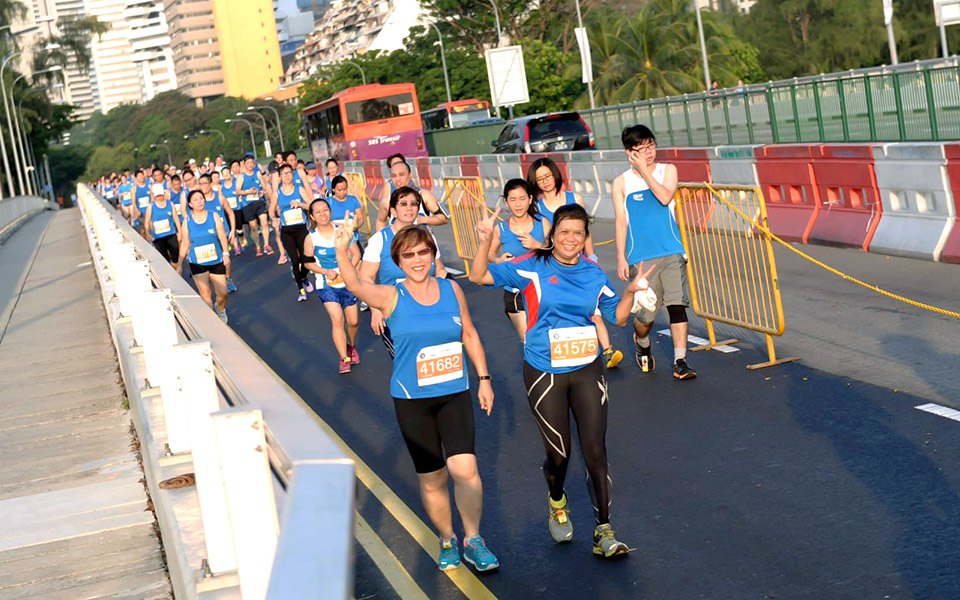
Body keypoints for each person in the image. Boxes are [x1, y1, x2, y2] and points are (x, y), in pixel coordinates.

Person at [470, 202, 655, 558]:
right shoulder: (530, 267)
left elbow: (616, 318)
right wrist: (485, 241)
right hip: (545, 370)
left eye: (578, 233)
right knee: (560, 455)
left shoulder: (593, 273)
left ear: (586, 238)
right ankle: (557, 499)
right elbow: (479, 276)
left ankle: (604, 531)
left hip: (587, 368)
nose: (571, 239)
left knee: (595, 450)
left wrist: (631, 291)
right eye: (564, 232)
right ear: (552, 235)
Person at [336, 216, 500, 573]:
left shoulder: (451, 289)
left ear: (432, 253)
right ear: (399, 261)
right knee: (433, 477)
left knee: (466, 468)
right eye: (409, 255)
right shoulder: (390, 295)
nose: (417, 259)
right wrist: (342, 245)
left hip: (455, 392)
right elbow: (351, 282)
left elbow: (469, 334)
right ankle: (447, 539)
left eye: (423, 252)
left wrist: (484, 378)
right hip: (413, 401)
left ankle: (473, 539)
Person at [613, 124, 696, 380]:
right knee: (645, 317)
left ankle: (680, 361)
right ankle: (642, 341)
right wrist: (620, 257)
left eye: (651, 146)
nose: (648, 153)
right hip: (641, 257)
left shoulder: (667, 170)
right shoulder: (621, 182)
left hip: (671, 251)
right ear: (629, 152)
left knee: (676, 305)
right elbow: (620, 221)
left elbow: (664, 197)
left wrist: (646, 173)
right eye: (640, 149)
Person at [528, 158, 624, 369]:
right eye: (539, 179)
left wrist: (592, 258)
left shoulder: (575, 198)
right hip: (555, 267)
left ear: (555, 174)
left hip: (580, 264)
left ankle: (607, 351)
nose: (545, 182)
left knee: (594, 311)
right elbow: (543, 240)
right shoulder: (536, 208)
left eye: (547, 176)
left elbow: (585, 232)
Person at [362, 187, 447, 358]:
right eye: (403, 204)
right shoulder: (380, 239)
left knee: (433, 363)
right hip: (395, 314)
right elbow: (366, 277)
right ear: (393, 210)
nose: (409, 208)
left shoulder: (427, 238)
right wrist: (375, 309)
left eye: (414, 204)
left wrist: (446, 299)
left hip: (428, 310)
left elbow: (440, 269)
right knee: (408, 363)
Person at [484, 179, 549, 340]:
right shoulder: (501, 228)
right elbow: (489, 253)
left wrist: (537, 245)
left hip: (544, 290)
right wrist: (498, 260)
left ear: (530, 199)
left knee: (549, 337)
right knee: (528, 340)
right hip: (515, 292)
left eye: (522, 198)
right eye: (512, 200)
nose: (518, 204)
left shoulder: (543, 223)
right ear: (506, 202)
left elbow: (554, 253)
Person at [303, 198, 362, 373]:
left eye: (325, 210)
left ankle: (351, 346)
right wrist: (324, 271)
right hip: (326, 284)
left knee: (353, 321)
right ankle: (344, 358)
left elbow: (356, 254)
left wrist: (348, 270)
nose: (322, 214)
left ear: (330, 211)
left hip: (348, 282)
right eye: (318, 212)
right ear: (312, 216)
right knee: (337, 319)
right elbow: (307, 263)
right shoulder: (311, 238)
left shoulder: (342, 232)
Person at [178, 189, 231, 323]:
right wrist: (179, 264)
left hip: (216, 260)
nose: (199, 201)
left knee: (223, 293)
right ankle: (214, 322)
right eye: (195, 200)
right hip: (198, 263)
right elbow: (185, 243)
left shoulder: (214, 216)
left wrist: (226, 253)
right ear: (190, 204)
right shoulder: (187, 221)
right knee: (205, 293)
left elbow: (222, 236)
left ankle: (220, 309)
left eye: (201, 198)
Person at [268, 163, 313, 301]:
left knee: (306, 260)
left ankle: (304, 276)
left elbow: (311, 205)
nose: (287, 176)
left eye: (289, 173)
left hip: (301, 229)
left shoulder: (299, 190)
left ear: (293, 175)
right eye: (284, 174)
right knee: (294, 260)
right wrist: (274, 218)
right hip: (287, 231)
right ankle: (301, 290)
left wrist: (300, 204)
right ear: (280, 177)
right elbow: (271, 209)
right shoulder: (277, 193)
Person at [375, 160, 448, 231]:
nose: (397, 179)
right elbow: (380, 221)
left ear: (410, 175)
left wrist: (422, 220)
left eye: (401, 174)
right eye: (394, 176)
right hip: (400, 242)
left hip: (423, 241)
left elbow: (444, 218)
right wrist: (383, 240)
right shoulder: (387, 201)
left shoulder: (423, 195)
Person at [199, 174, 238, 293]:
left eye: (204, 183)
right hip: (209, 236)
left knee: (225, 256)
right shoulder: (200, 202)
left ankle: (228, 278)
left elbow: (230, 213)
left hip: (223, 233)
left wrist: (232, 230)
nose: (202, 186)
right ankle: (216, 281)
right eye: (200, 184)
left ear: (211, 184)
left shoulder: (219, 197)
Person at [238, 153, 274, 257]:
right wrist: (248, 192)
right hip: (248, 204)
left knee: (264, 222)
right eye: (248, 163)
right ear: (244, 164)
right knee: (253, 227)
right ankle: (258, 246)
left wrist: (263, 192)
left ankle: (266, 245)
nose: (250, 164)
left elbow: (264, 185)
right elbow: (238, 191)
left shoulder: (258, 174)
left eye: (252, 162)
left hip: (259, 202)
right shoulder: (241, 176)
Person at [144, 181, 181, 268]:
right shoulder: (151, 206)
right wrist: (148, 234)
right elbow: (147, 222)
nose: (159, 197)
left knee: (175, 256)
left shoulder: (170, 204)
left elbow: (176, 218)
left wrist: (179, 232)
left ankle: (176, 270)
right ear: (154, 195)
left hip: (171, 234)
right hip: (158, 237)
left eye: (161, 195)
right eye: (157, 195)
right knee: (164, 258)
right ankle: (171, 273)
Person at [220, 166, 245, 258]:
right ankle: (236, 248)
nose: (226, 175)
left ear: (230, 173)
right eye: (224, 173)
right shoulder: (221, 187)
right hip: (227, 211)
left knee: (239, 228)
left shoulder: (236, 183)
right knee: (231, 229)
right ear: (222, 176)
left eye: (227, 172)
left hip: (237, 209)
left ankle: (242, 239)